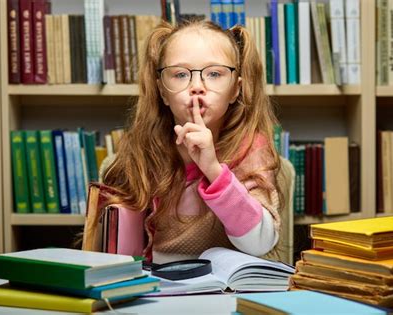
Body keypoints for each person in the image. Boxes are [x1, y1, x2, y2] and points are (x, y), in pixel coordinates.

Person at [102, 19, 283, 264]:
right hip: (160, 285)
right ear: (162, 92)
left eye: (215, 73)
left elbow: (261, 243)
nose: (197, 87)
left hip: (229, 289)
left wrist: (213, 170)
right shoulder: (145, 148)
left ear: (235, 90)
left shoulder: (251, 148)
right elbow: (123, 252)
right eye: (179, 74)